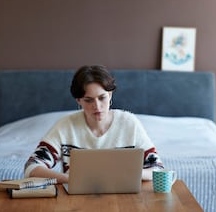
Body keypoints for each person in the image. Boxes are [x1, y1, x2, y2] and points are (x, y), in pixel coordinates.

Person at [24, 65, 163, 183]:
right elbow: (31, 167)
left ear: (110, 95)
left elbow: (158, 169)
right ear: (78, 100)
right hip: (76, 199)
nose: (97, 106)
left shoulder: (129, 123)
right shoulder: (65, 126)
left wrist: (127, 175)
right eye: (88, 100)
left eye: (102, 98)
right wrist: (68, 179)